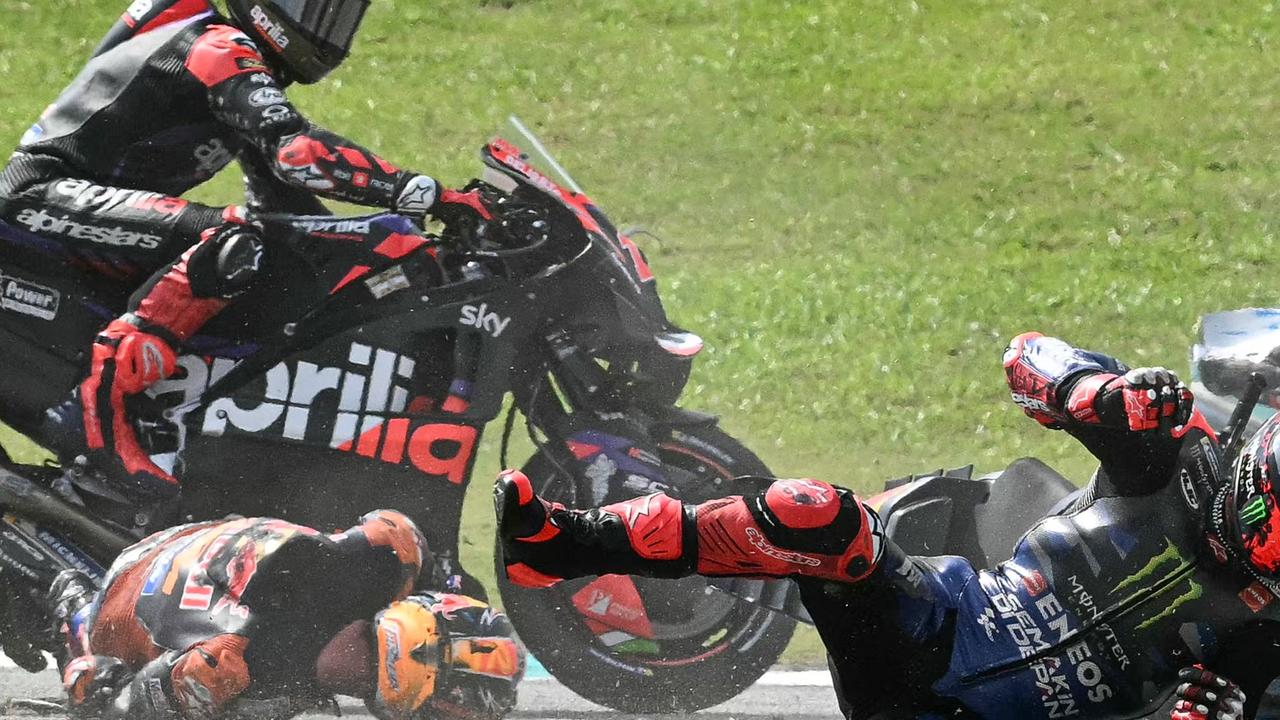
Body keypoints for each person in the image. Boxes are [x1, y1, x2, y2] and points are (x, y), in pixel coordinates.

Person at [495, 331, 1280, 720]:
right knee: (818, 516)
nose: (1249, 572)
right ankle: (563, 542)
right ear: (1251, 482)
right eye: (1255, 542)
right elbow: (1027, 356)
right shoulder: (1170, 451)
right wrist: (1091, 394)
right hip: (942, 629)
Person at [0, 0, 498, 500]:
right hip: (38, 196)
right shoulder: (219, 44)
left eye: (341, 15)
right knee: (230, 240)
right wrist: (435, 195)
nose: (326, 30)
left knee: (259, 243)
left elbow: (282, 200)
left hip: (78, 208)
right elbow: (297, 155)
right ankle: (99, 415)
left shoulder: (241, 64)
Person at [49, 509, 524, 720]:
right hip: (121, 598)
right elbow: (122, 711)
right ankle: (71, 606)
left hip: (196, 537)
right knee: (95, 687)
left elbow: (386, 522)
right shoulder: (225, 670)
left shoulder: (393, 555)